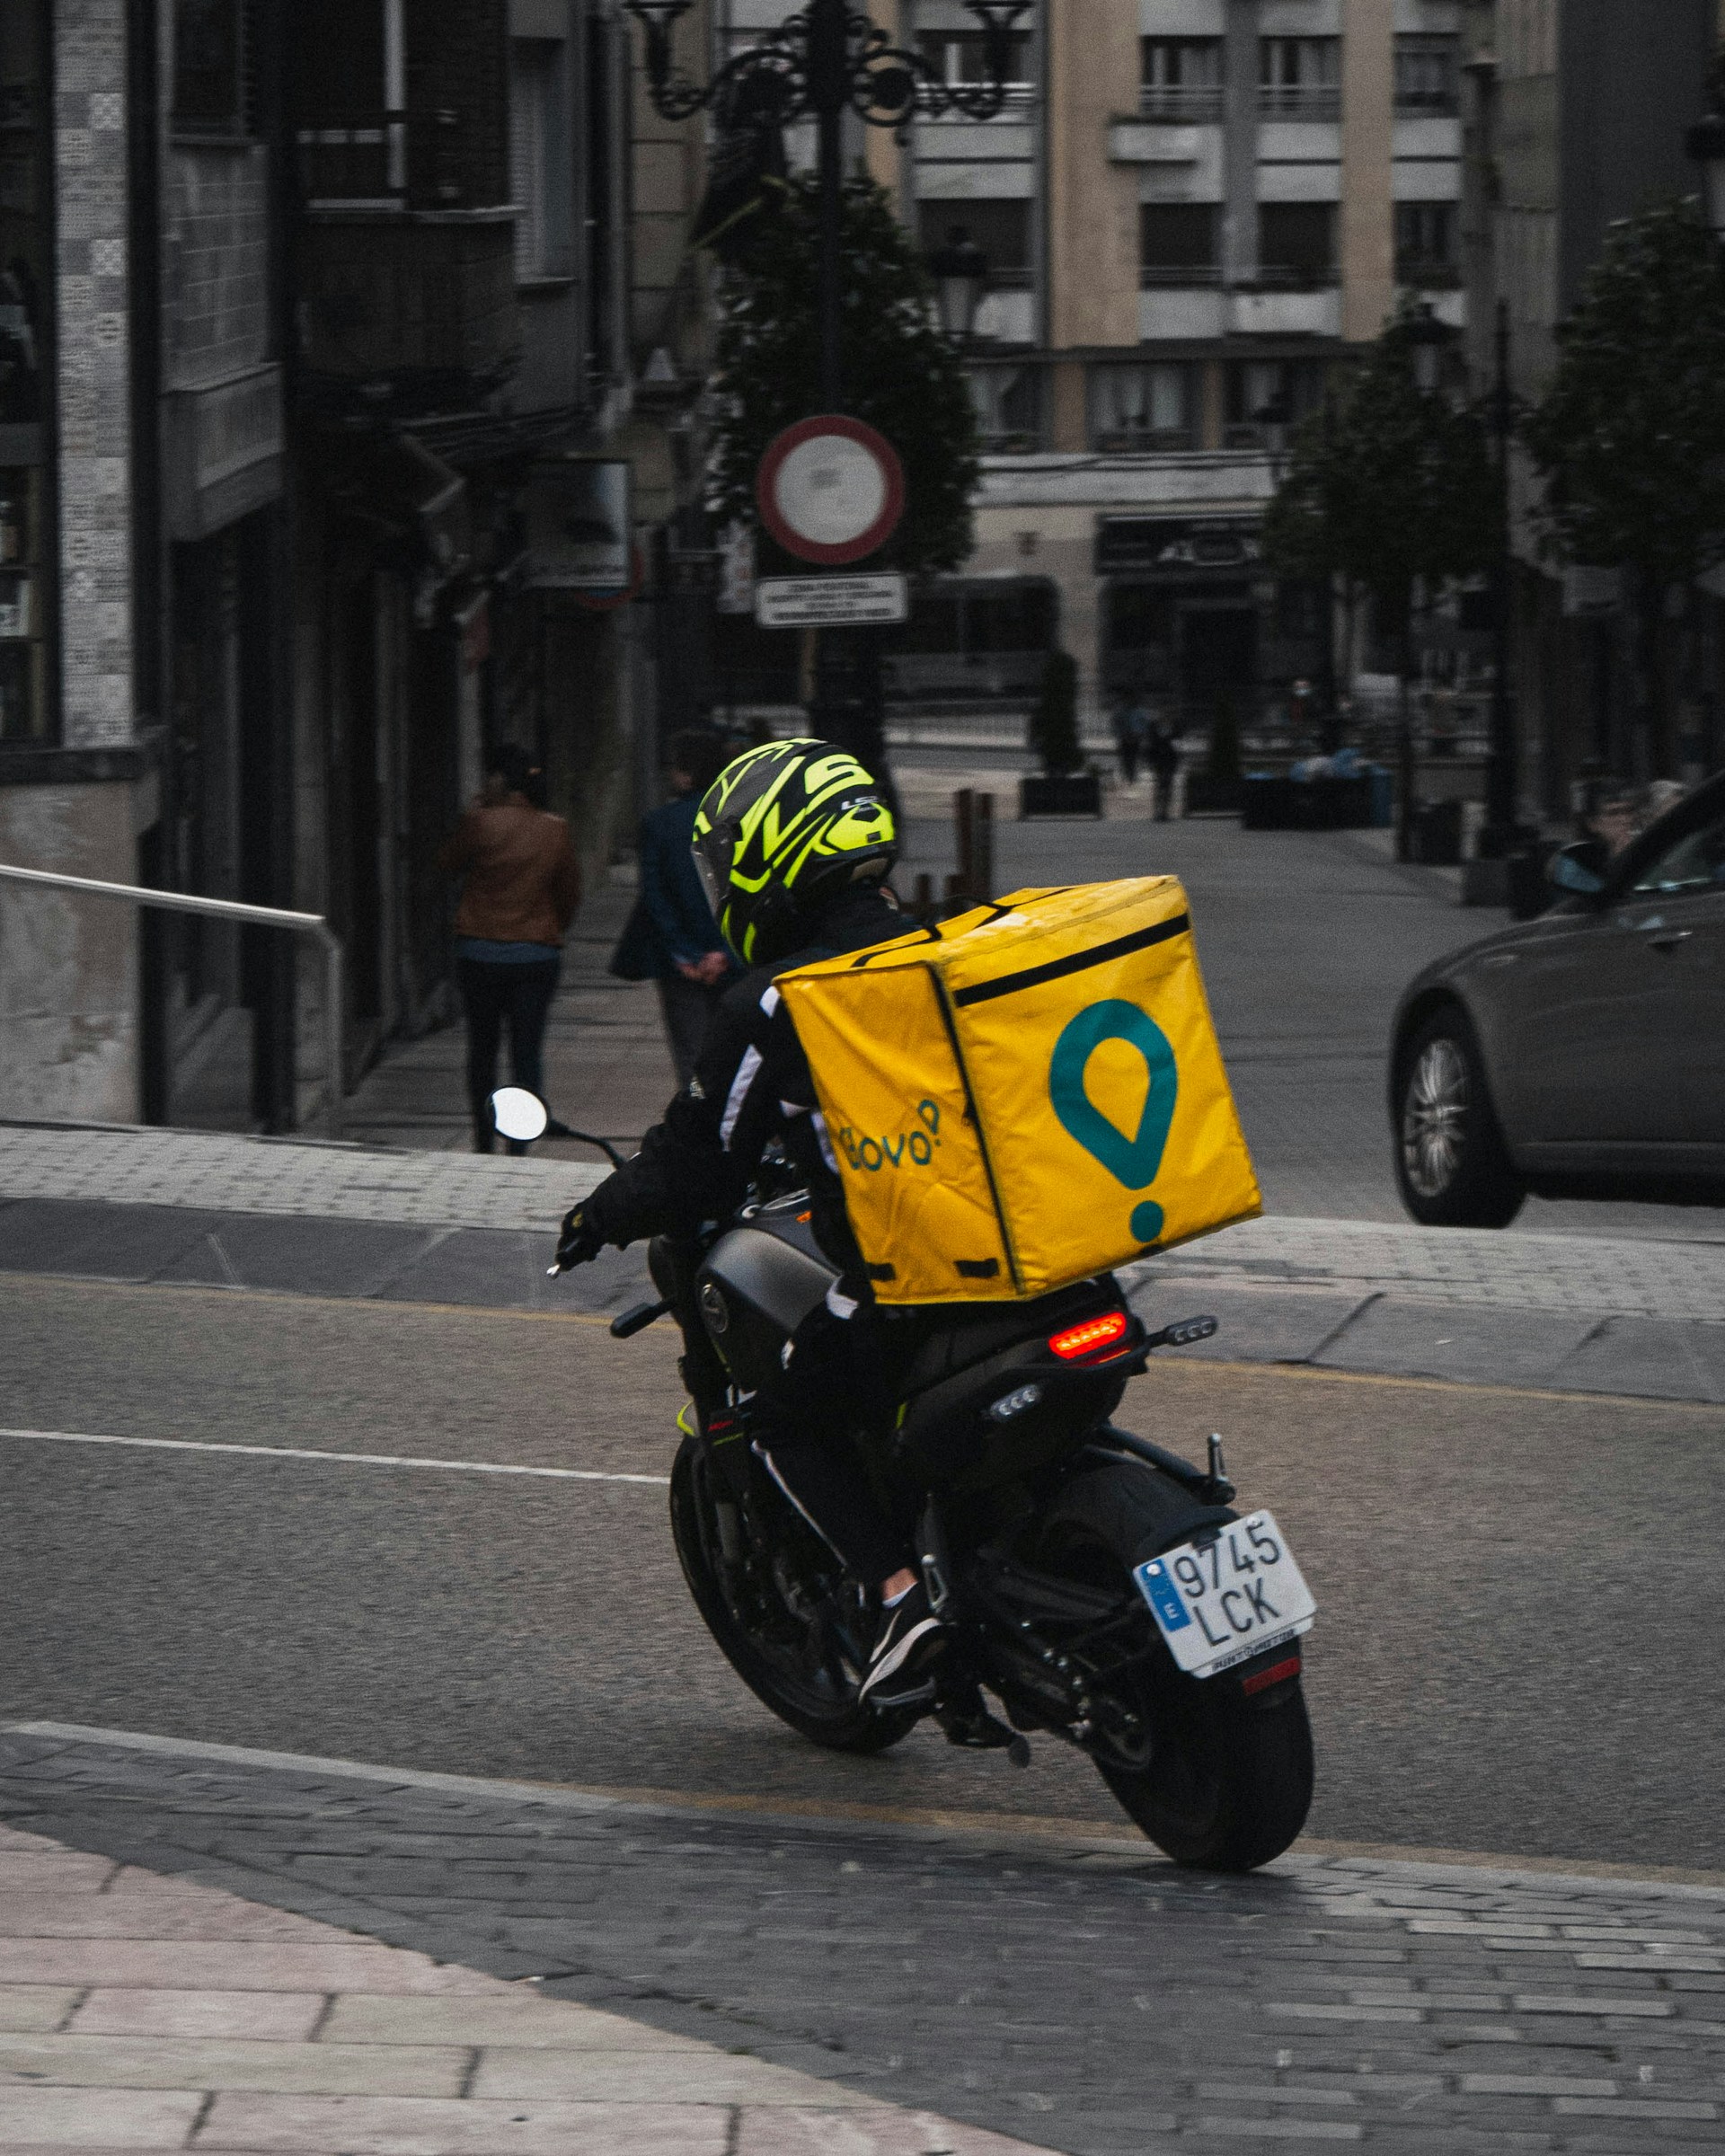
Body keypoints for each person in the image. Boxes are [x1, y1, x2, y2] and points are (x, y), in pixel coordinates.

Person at [554, 738, 945, 1707]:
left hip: (910, 1278)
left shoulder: (780, 998)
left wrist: (601, 1211)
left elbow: (697, 1161)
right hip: (1037, 1256)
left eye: (732, 857)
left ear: (777, 856)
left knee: (779, 1414)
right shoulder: (947, 950)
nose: (725, 877)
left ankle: (902, 1598)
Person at [438, 743, 581, 1153]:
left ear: (499, 779)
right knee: (527, 1053)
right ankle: (519, 1142)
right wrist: (548, 927)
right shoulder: (555, 829)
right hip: (536, 954)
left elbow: (446, 864)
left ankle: (483, 1140)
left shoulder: (480, 823)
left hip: (480, 952)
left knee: (482, 1049)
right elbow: (569, 894)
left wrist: (475, 811)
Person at [610, 729, 739, 1086]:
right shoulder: (746, 821)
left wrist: (685, 952)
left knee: (691, 1056)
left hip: (682, 964)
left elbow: (656, 896)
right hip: (735, 957)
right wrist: (725, 952)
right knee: (735, 1056)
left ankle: (697, 1116)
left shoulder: (660, 823)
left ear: (686, 773)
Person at [1111, 690, 1150, 787]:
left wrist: (1139, 734)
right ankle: (1127, 778)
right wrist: (1121, 735)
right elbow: (1115, 724)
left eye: (1131, 699)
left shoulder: (1139, 712)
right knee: (1125, 760)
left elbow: (1145, 725)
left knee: (1134, 759)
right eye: (1127, 699)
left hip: (1136, 739)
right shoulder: (1120, 711)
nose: (1129, 701)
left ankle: (1132, 778)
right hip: (1124, 738)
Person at [1147, 713, 1180, 821]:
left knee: (1167, 786)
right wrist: (1151, 761)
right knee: (1160, 785)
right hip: (1159, 760)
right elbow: (1151, 745)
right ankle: (1158, 812)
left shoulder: (1175, 727)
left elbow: (1177, 744)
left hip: (1170, 760)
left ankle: (1165, 812)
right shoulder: (1154, 727)